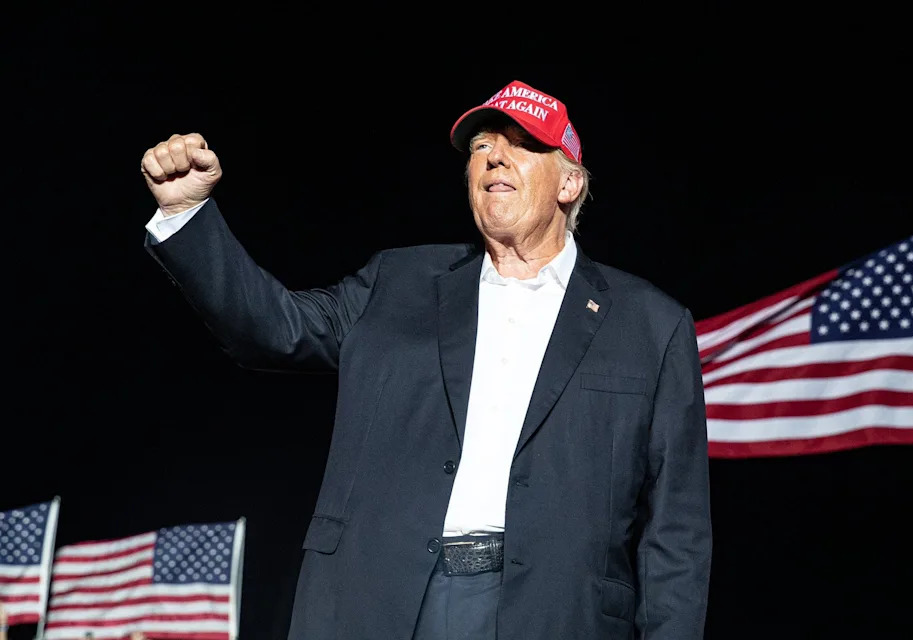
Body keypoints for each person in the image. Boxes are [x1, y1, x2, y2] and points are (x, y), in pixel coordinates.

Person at [139, 79, 712, 639]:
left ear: (568, 183)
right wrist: (188, 215)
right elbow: (272, 329)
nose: (494, 158)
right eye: (482, 147)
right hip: (379, 598)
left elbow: (677, 531)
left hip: (556, 611)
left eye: (521, 144)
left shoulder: (649, 324)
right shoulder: (398, 283)